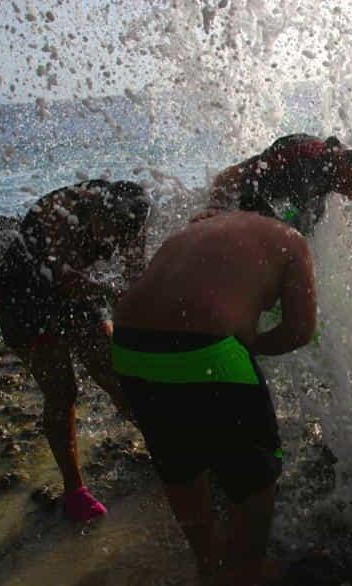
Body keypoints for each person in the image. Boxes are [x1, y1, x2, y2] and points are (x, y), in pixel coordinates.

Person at [111, 210, 316, 584]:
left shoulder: (199, 229)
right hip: (207, 352)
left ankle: (207, 564)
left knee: (180, 465)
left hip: (127, 348)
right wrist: (250, 346)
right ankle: (246, 572)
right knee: (255, 479)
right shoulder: (292, 241)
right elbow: (299, 331)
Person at [0, 179, 150, 522]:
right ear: (98, 211)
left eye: (122, 236)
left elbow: (135, 275)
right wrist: (111, 292)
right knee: (62, 392)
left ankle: (163, 445)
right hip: (24, 296)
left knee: (118, 373)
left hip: (75, 291)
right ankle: (75, 491)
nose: (113, 243)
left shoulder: (134, 213)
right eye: (110, 232)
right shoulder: (61, 211)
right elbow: (63, 277)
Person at [206, 133, 352, 234]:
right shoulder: (306, 161)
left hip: (256, 201)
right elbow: (243, 183)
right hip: (227, 200)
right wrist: (216, 210)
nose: (350, 196)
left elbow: (288, 211)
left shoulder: (327, 167)